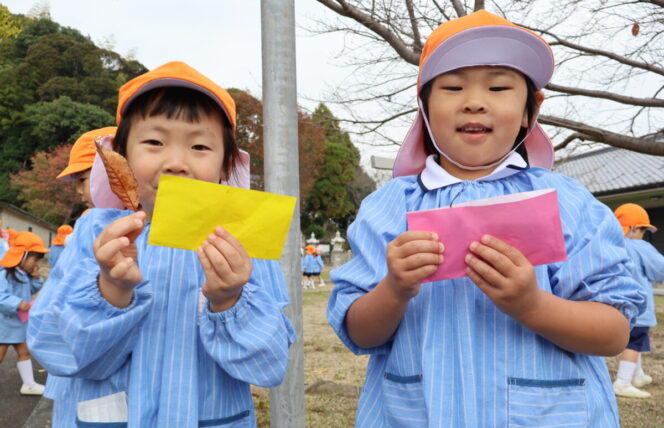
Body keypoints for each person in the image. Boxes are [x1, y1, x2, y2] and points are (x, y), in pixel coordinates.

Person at [327, 10, 645, 427]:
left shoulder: (569, 203)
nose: (474, 100)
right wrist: (394, 287)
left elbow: (614, 332)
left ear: (531, 111)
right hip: (415, 413)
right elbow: (360, 333)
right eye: (453, 86)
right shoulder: (388, 208)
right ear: (423, 108)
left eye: (498, 86)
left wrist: (533, 305)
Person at [28, 61, 295, 427]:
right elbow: (54, 350)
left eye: (200, 145)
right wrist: (110, 290)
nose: (175, 163)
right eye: (154, 142)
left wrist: (229, 299)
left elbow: (268, 365)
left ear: (225, 166)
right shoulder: (94, 232)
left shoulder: (241, 241)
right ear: (121, 157)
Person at [612, 203, 664, 398]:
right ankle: (622, 382)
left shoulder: (611, 243)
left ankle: (638, 375)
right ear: (633, 228)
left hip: (616, 306)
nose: (643, 234)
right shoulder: (640, 246)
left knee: (633, 339)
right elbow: (659, 269)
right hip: (638, 306)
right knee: (635, 342)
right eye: (643, 229)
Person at [0, 231, 48, 395]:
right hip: (4, 324)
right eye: (34, 259)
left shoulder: (23, 274)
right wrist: (17, 303)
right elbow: (1, 296)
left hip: (17, 323)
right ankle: (29, 384)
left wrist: (35, 279)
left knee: (24, 352)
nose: (35, 264)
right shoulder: (4, 274)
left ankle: (29, 384)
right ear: (22, 256)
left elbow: (32, 289)